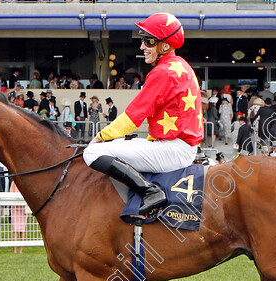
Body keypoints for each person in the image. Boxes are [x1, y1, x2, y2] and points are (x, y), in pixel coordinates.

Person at [84, 13, 202, 216]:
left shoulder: (162, 73)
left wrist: (100, 137)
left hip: (173, 150)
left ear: (164, 46)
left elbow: (132, 118)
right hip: (179, 146)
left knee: (92, 153)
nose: (142, 46)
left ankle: (151, 192)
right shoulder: (181, 65)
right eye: (142, 40)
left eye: (149, 41)